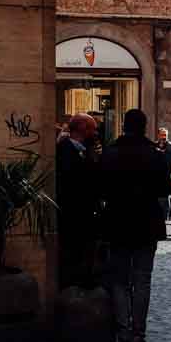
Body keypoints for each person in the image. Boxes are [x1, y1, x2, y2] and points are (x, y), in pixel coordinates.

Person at [98, 109, 171, 342]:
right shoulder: (156, 155)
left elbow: (101, 190)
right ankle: (138, 335)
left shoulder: (109, 154)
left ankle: (123, 334)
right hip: (146, 222)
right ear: (144, 126)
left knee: (119, 280)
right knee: (142, 279)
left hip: (117, 220)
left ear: (124, 126)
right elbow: (164, 190)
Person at [55, 114, 99, 286]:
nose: (95, 132)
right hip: (73, 216)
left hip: (83, 215)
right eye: (92, 128)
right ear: (82, 128)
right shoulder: (66, 150)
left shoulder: (84, 150)